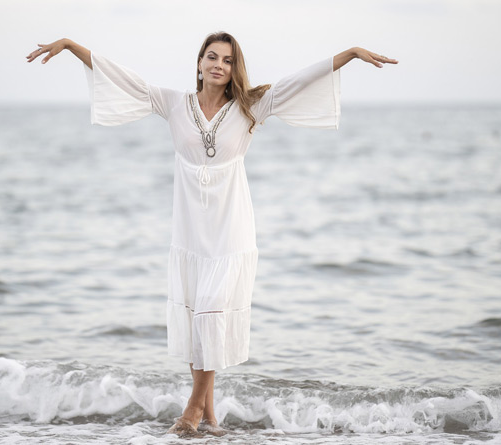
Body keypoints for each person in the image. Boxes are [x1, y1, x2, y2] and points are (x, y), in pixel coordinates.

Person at [26, 31, 397, 437]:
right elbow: (123, 78)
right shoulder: (174, 103)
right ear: (199, 63)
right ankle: (212, 417)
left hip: (231, 231)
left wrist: (350, 54)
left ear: (234, 69)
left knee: (210, 314)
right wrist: (68, 45)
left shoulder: (251, 105)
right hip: (189, 233)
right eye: (212, 56)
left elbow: (299, 81)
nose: (219, 64)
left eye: (227, 60)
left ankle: (191, 410)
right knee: (196, 321)